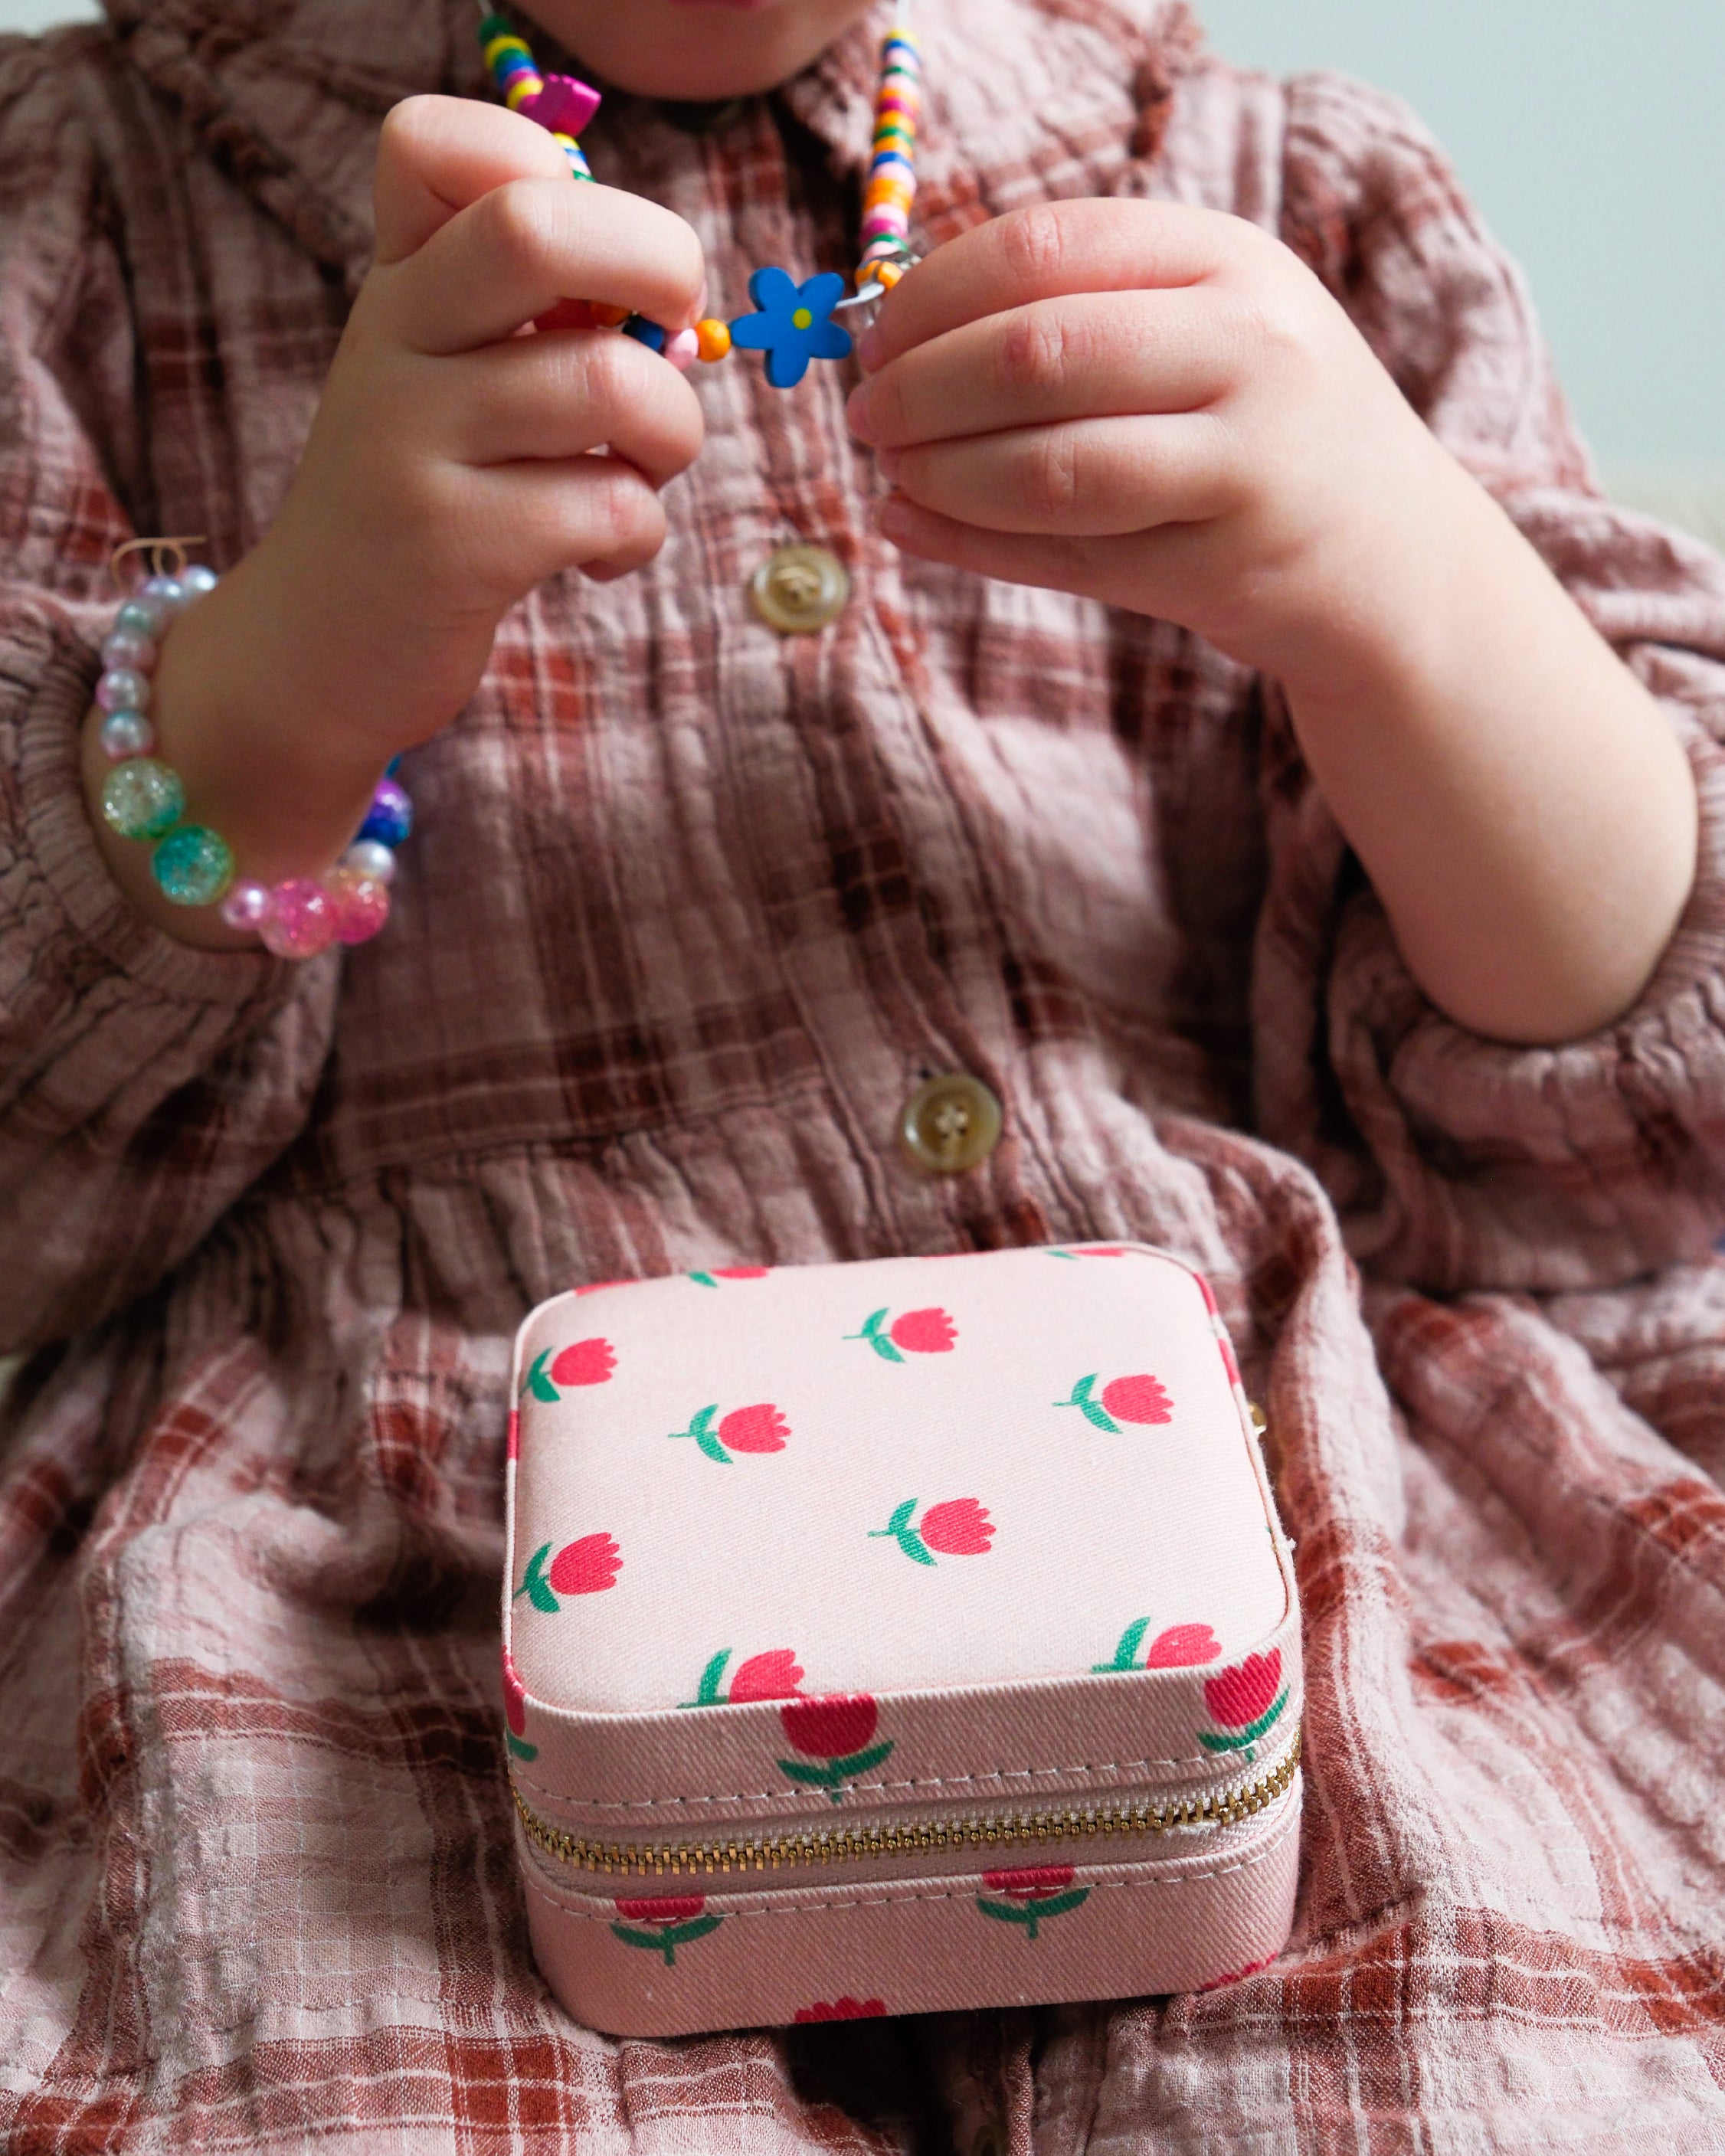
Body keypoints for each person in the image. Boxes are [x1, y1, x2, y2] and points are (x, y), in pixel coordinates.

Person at [3, 0, 1723, 2145]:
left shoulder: (1289, 197)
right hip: (388, 1616)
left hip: (1279, 1518)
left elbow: (1618, 1168)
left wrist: (1405, 593)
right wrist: (275, 685)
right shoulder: (62, 208)